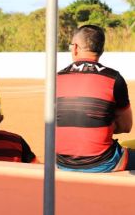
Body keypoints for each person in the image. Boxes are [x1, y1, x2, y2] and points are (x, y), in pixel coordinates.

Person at [56, 24, 135, 172]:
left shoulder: (56, 78)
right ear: (102, 50)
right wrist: (101, 124)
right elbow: (126, 126)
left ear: (75, 48)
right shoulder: (114, 78)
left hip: (62, 162)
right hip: (104, 162)